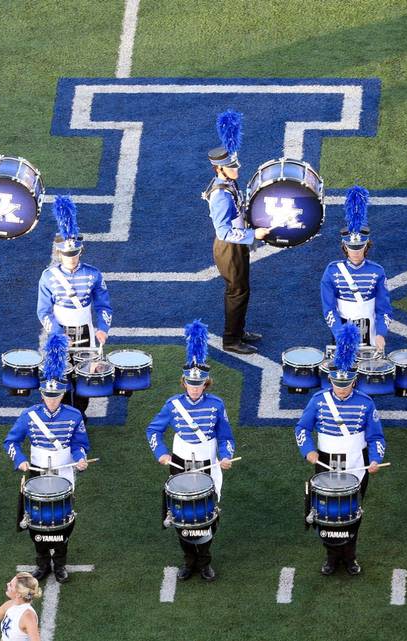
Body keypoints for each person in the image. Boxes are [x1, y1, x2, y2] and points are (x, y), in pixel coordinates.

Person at [146, 320, 235, 582]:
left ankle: (204, 560)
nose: (194, 388)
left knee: (207, 513)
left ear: (206, 383)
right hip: (180, 462)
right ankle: (188, 560)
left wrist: (226, 455)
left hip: (208, 462)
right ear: (184, 382)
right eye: (190, 384)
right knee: (182, 513)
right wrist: (161, 453)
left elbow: (225, 437)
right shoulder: (173, 405)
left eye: (199, 384)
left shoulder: (217, 405)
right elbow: (153, 431)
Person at [294, 324, 385, 576]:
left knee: (352, 510)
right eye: (336, 383)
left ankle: (350, 557)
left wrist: (376, 459)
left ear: (354, 381)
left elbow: (376, 437)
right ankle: (331, 557)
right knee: (327, 510)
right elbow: (302, 428)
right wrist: (309, 451)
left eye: (345, 385)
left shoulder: (366, 403)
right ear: (331, 380)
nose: (341, 389)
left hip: (358, 462)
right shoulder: (318, 401)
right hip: (325, 462)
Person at [3, 332, 90, 583]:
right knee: (37, 518)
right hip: (37, 471)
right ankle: (41, 562)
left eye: (57, 396)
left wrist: (80, 458)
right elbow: (11, 441)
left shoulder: (74, 415)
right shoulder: (29, 415)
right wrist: (19, 459)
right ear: (42, 395)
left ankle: (60, 562)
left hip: (64, 470)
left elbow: (80, 444)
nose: (52, 401)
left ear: (62, 395)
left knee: (63, 519)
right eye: (48, 397)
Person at [36, 196, 112, 416]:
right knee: (59, 378)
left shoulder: (93, 274)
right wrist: (58, 333)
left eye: (74, 253)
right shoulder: (48, 277)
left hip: (86, 333)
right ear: (60, 253)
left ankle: (79, 416)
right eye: (67, 254)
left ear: (81, 251)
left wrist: (102, 329)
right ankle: (60, 416)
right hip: (58, 335)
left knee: (85, 379)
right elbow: (43, 311)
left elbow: (104, 307)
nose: (71, 258)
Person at [203, 110, 269, 355]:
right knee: (236, 292)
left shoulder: (228, 183)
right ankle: (231, 340)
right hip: (229, 248)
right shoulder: (220, 194)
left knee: (242, 290)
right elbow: (222, 231)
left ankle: (238, 331)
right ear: (219, 169)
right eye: (231, 166)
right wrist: (254, 236)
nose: (236, 169)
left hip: (236, 245)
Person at [321, 184, 393, 353]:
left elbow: (384, 309)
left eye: (359, 248)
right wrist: (340, 334)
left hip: (372, 331)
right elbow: (329, 309)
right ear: (345, 247)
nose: (355, 252)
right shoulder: (332, 271)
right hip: (342, 331)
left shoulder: (377, 272)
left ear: (366, 246)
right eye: (351, 248)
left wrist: (381, 334)